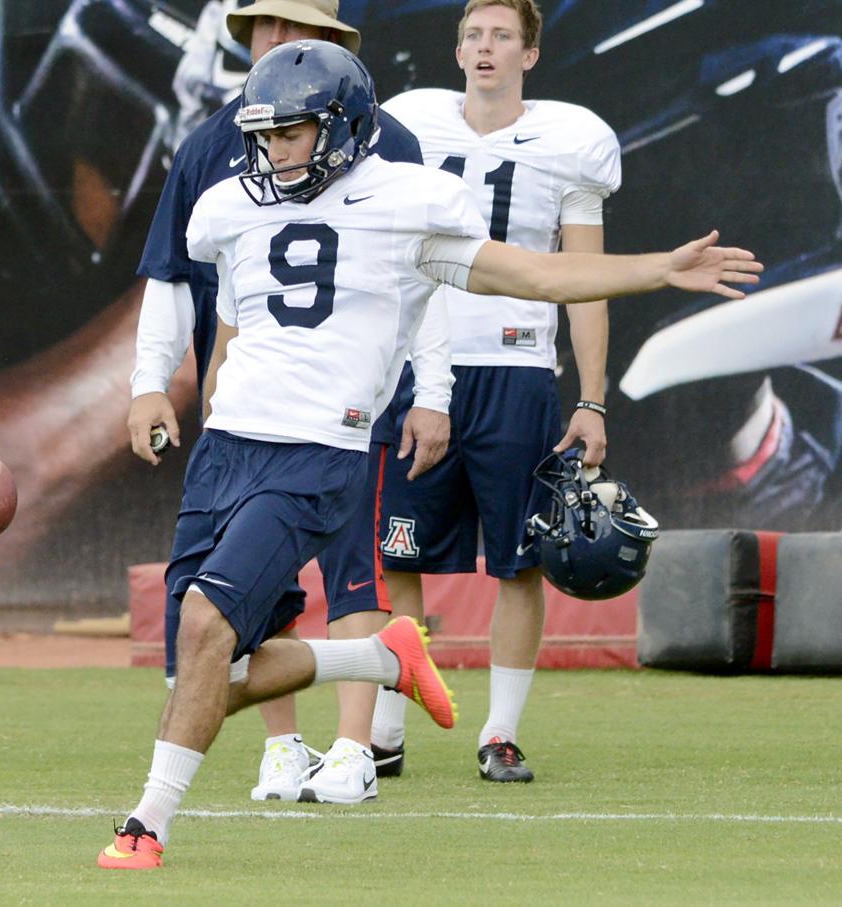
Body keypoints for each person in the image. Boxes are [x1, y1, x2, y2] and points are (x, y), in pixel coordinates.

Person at [98, 38, 761, 869]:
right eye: (263, 135)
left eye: (291, 133)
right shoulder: (229, 204)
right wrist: (182, 391)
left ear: (340, 127)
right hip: (229, 446)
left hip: (316, 452)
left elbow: (536, 275)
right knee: (204, 669)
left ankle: (146, 825)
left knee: (204, 624)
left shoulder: (407, 199)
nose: (272, 151)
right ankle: (379, 656)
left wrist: (660, 269)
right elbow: (234, 322)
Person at [127, 0, 448, 806]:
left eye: (295, 28)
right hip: (247, 411)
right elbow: (173, 275)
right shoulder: (211, 146)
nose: (277, 42)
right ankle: (285, 743)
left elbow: (436, 277)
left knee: (351, 575)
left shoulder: (389, 144)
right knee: (221, 625)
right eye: (263, 26)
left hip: (350, 408)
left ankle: (352, 748)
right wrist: (148, 383)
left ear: (333, 45)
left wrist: (432, 389)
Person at [354, 0, 618, 783]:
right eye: (474, 34)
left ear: (530, 54)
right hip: (417, 368)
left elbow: (586, 283)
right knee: (398, 553)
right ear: (458, 48)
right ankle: (386, 728)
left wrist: (593, 397)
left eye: (503, 35)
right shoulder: (407, 125)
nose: (486, 48)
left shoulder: (571, 143)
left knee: (519, 562)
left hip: (517, 371)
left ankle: (498, 732)